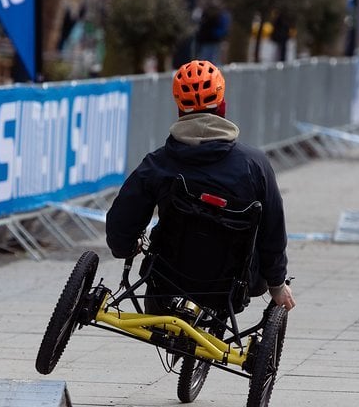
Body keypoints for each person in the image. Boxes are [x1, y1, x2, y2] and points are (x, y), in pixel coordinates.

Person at [106, 59, 295, 312]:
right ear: (223, 106)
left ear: (179, 110)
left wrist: (126, 247)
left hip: (165, 284)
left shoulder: (158, 164)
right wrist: (277, 283)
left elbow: (122, 221)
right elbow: (273, 230)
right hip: (230, 289)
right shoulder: (255, 164)